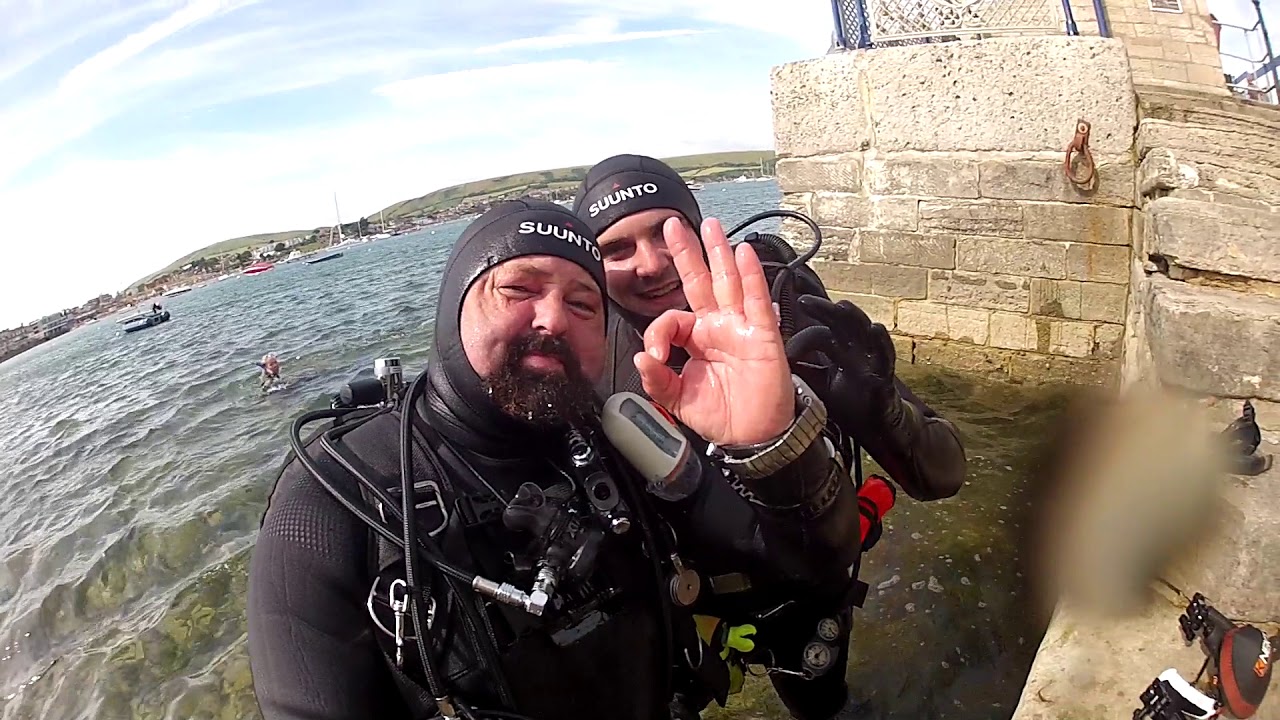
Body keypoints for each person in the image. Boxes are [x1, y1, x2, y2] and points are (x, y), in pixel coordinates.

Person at [247, 199, 879, 720]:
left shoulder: (620, 440)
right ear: (451, 309)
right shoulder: (333, 495)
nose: (552, 318)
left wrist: (769, 442)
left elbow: (806, 571)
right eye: (518, 289)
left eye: (582, 304)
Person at [572, 154, 969, 719]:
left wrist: (882, 411)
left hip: (806, 592)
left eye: (667, 232)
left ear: (699, 232)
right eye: (617, 249)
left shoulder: (784, 319)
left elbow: (944, 475)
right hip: (687, 612)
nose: (651, 264)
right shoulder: (588, 370)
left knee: (823, 709)